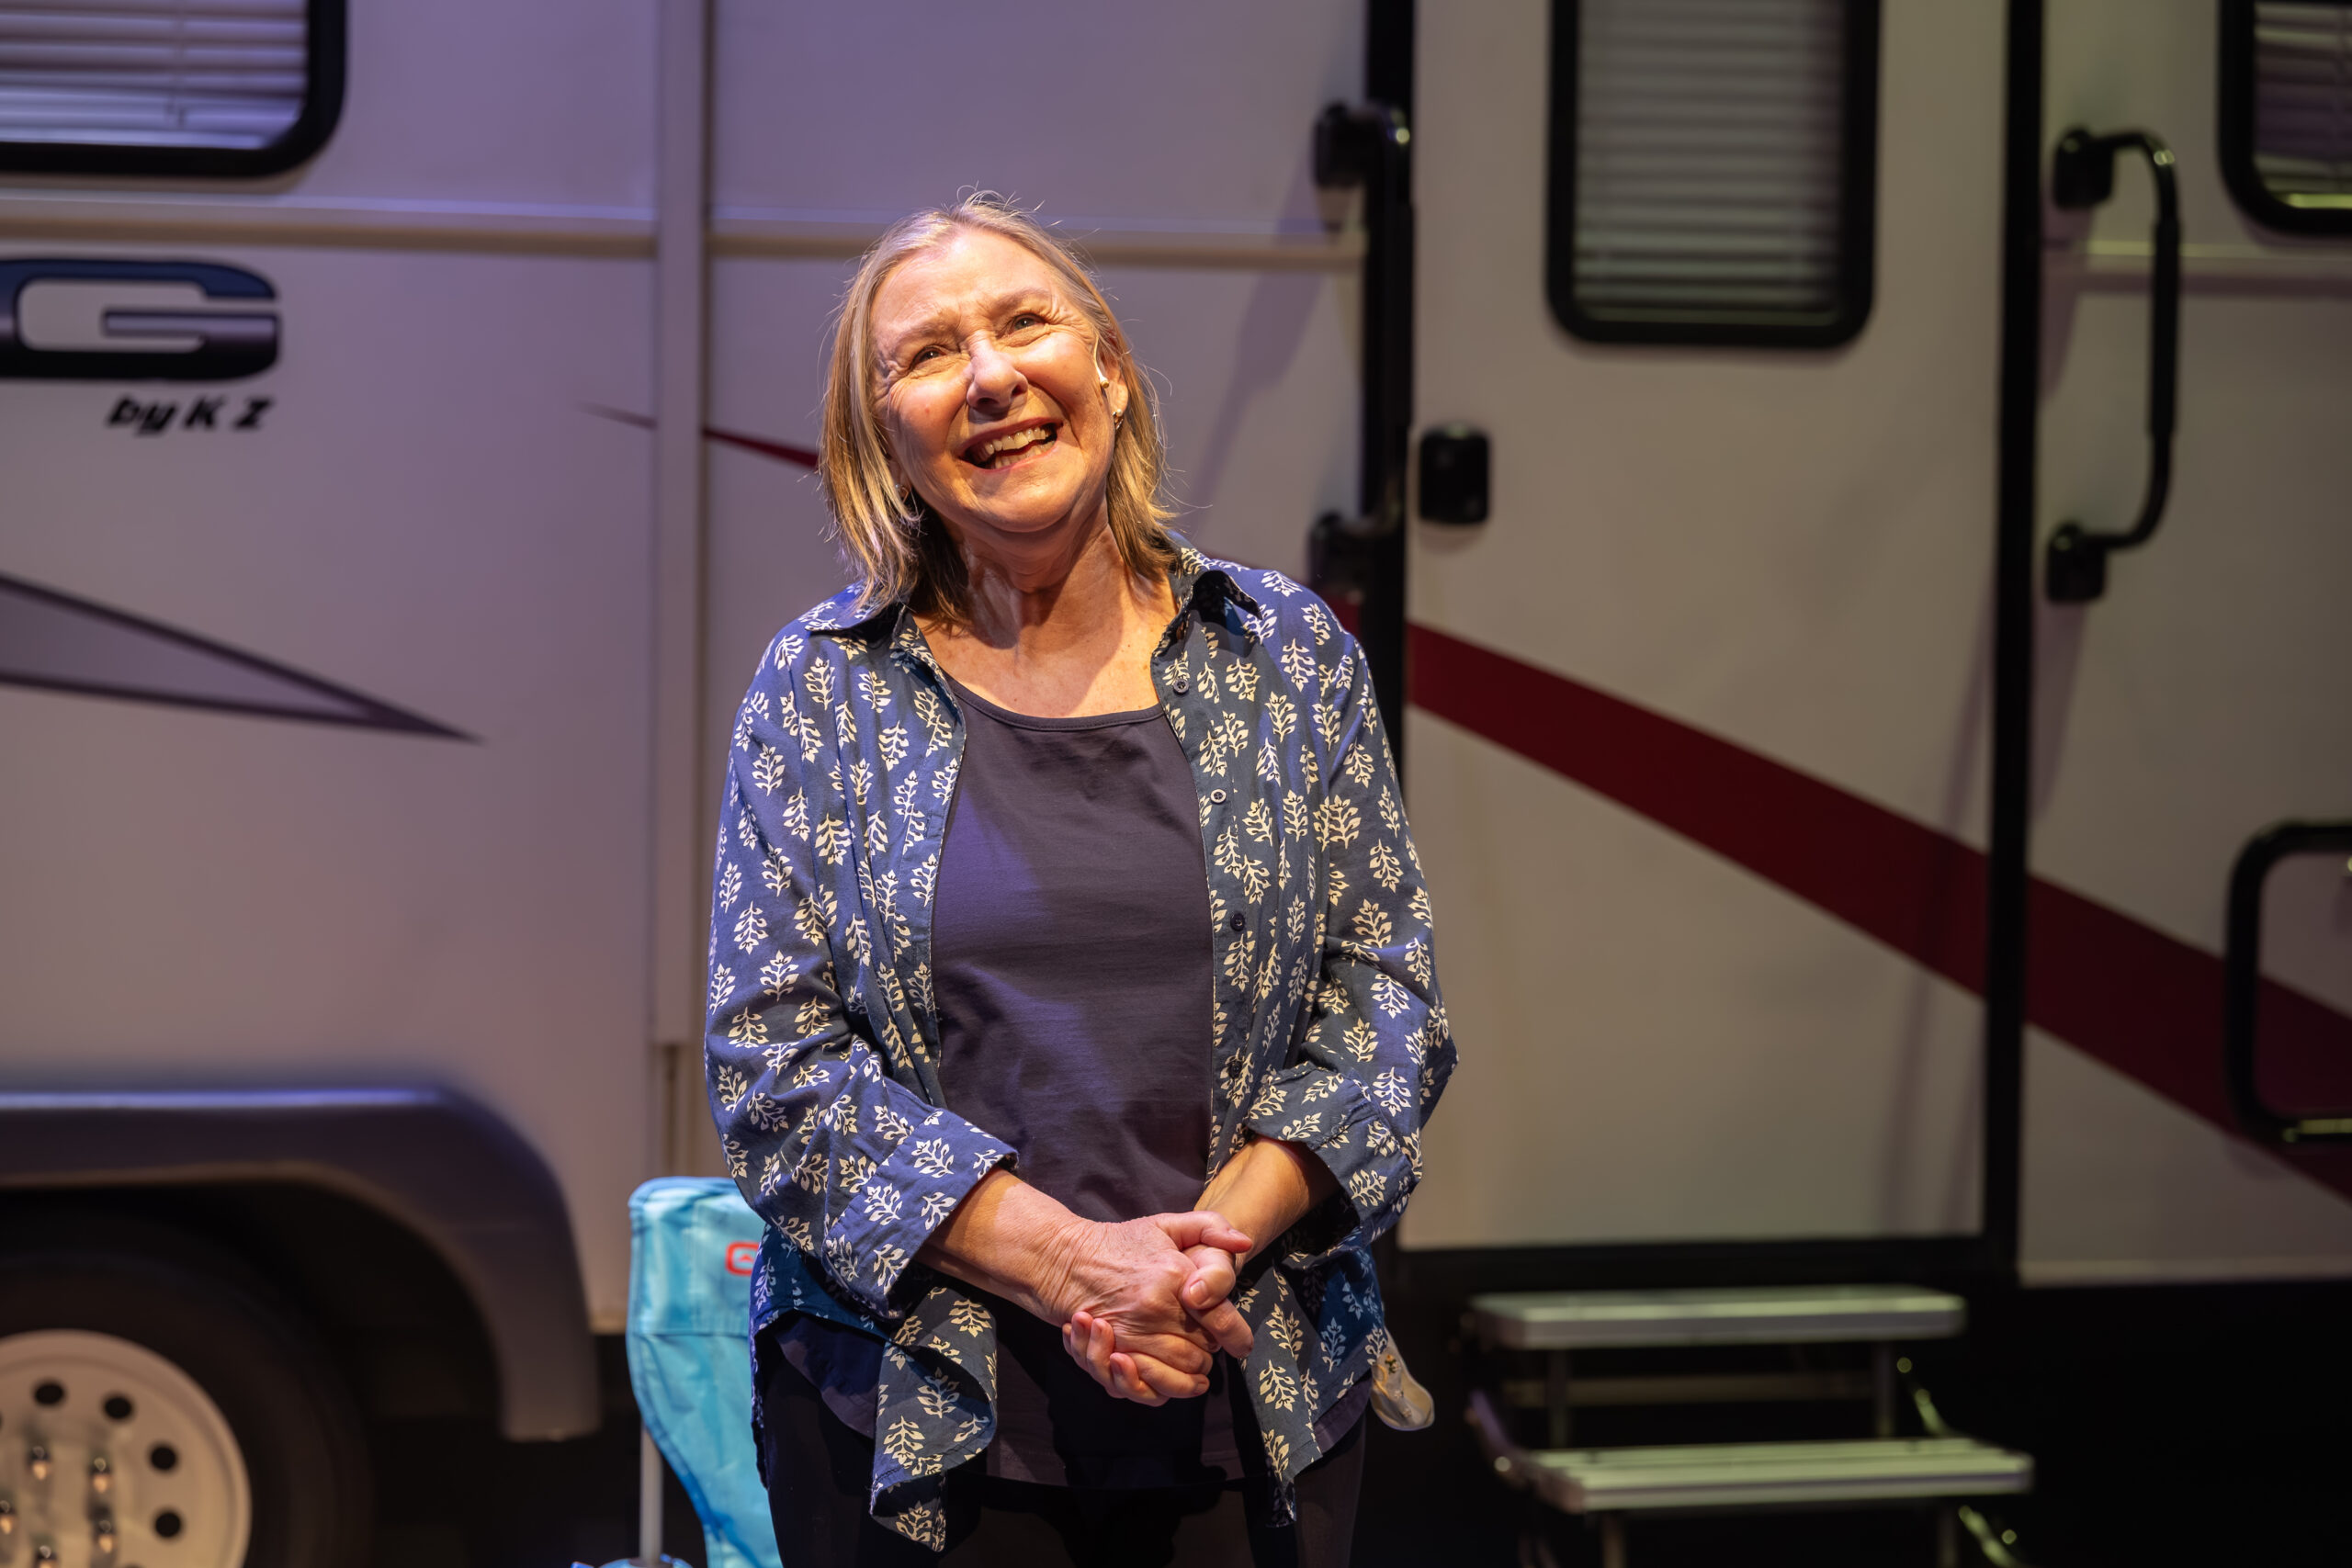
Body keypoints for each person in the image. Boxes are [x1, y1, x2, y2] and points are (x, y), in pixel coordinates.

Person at [705, 193, 1453, 1566]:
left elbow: (1386, 996)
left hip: (1248, 1385)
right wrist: (1074, 1266)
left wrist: (1205, 1254)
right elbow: (772, 1064)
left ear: (1107, 368)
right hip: (915, 1428)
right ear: (885, 439)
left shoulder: (1284, 652)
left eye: (1023, 324)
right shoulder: (821, 690)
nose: (989, 377)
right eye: (929, 355)